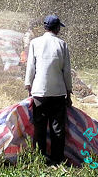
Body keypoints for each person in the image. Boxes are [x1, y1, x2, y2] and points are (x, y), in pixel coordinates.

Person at [24, 15, 72, 165]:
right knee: (57, 128)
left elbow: (30, 67)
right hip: (58, 92)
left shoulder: (34, 43)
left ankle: (41, 157)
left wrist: (28, 86)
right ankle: (57, 159)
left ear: (45, 27)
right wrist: (69, 92)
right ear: (57, 28)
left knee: (40, 127)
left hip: (39, 92)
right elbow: (67, 71)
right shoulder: (62, 44)